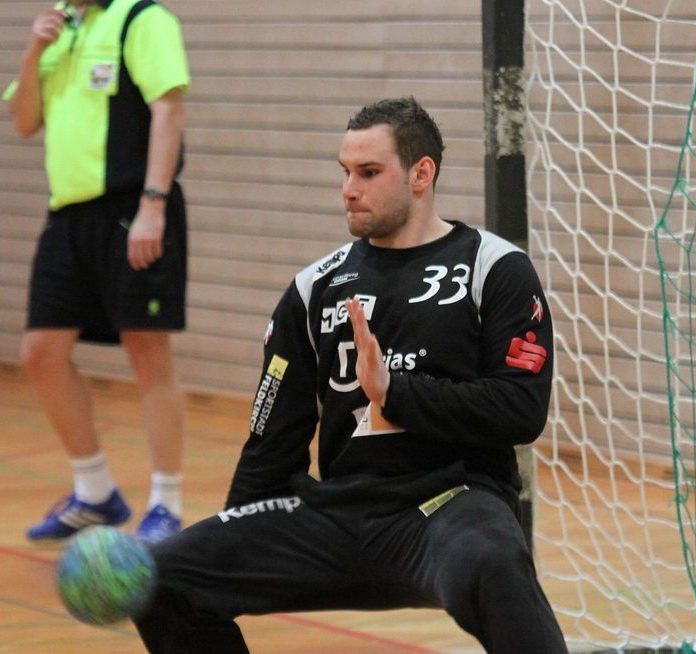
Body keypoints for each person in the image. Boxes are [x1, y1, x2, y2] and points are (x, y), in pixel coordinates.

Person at [133, 97, 568, 653]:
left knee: (494, 559)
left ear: (421, 174)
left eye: (368, 173)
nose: (349, 189)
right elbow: (273, 439)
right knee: (159, 574)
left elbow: (520, 409)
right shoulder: (316, 286)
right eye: (345, 172)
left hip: (447, 508)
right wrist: (234, 542)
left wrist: (395, 391)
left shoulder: (495, 268)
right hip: (337, 516)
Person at [3, 0, 190, 544]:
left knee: (146, 351)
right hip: (68, 217)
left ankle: (167, 505)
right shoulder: (59, 29)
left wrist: (153, 203)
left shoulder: (143, 19)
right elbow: (23, 121)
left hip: (133, 206)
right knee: (40, 352)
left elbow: (169, 110)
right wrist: (34, 49)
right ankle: (95, 493)